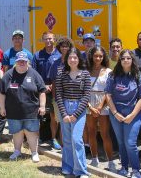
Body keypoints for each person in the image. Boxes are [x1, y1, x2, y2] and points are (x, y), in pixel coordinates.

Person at [104, 49, 141, 178]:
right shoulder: (113, 75)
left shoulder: (139, 76)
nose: (125, 60)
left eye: (128, 58)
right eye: (123, 58)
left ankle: (135, 170)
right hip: (116, 114)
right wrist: (115, 113)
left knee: (130, 143)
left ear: (132, 60)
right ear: (119, 60)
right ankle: (124, 167)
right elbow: (108, 95)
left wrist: (132, 115)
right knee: (121, 142)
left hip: (133, 115)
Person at [0, 51, 46, 163]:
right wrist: (2, 108)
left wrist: (42, 106)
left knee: (31, 133)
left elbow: (42, 91)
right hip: (13, 112)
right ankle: (17, 151)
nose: (21, 63)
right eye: (19, 61)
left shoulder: (34, 74)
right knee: (17, 132)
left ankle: (34, 153)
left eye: (24, 61)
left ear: (27, 62)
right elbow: (2, 93)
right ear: (15, 62)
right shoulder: (8, 75)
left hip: (31, 111)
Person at [0, 30, 34, 149]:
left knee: (23, 112)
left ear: (23, 40)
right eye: (15, 38)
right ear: (12, 39)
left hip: (24, 88)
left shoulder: (29, 54)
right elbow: (4, 72)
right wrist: (2, 90)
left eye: (20, 38)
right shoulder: (7, 54)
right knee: (3, 113)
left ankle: (25, 139)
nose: (17, 40)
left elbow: (32, 72)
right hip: (10, 87)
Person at [55, 48, 91, 177]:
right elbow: (58, 94)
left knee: (76, 140)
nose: (73, 60)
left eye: (75, 57)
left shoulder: (85, 74)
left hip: (79, 107)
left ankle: (81, 171)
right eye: (70, 57)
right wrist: (64, 114)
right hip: (64, 106)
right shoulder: (61, 73)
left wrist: (75, 115)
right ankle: (67, 166)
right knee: (67, 140)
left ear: (79, 59)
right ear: (66, 59)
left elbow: (86, 95)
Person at [86, 46, 116, 172]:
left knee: (105, 134)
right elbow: (83, 91)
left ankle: (110, 161)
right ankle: (94, 158)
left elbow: (109, 91)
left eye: (100, 56)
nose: (98, 58)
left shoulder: (109, 71)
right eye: (95, 56)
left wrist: (99, 106)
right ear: (91, 57)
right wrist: (90, 107)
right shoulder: (86, 71)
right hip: (88, 103)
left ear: (104, 57)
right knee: (91, 132)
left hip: (104, 102)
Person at [32, 31, 61, 150]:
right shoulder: (37, 55)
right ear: (43, 40)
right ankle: (36, 138)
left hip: (56, 90)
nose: (48, 41)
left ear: (54, 39)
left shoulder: (60, 54)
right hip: (40, 90)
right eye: (46, 39)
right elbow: (33, 73)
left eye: (50, 39)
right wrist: (43, 86)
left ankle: (54, 139)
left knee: (54, 116)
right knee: (38, 115)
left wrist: (53, 85)